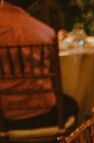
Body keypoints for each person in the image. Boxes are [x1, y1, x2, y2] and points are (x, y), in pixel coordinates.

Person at [0, 0, 77, 129]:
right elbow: (55, 82)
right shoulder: (45, 33)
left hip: (3, 118)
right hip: (43, 115)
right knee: (72, 105)